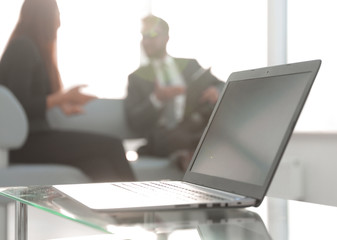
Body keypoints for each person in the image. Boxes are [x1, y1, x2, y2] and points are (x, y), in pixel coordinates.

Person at [0, 0, 135, 182]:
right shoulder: (23, 47)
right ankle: (140, 208)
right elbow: (20, 105)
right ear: (44, 17)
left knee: (98, 164)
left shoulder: (30, 48)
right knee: (113, 145)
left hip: (32, 140)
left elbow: (30, 101)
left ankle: (114, 211)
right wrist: (61, 98)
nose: (59, 23)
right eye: (57, 15)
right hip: (25, 144)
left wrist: (63, 103)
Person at [125, 14, 224, 170]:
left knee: (215, 130)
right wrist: (156, 99)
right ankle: (189, 153)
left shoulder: (190, 65)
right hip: (165, 135)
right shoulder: (137, 78)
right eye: (144, 36)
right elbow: (134, 120)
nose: (147, 41)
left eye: (152, 35)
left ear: (166, 37)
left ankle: (188, 153)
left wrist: (215, 91)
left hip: (195, 127)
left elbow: (220, 85)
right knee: (174, 137)